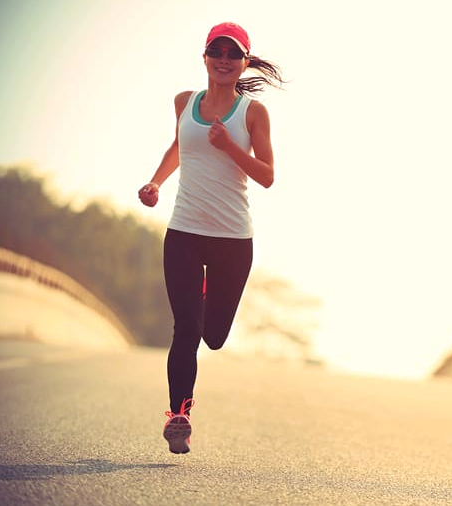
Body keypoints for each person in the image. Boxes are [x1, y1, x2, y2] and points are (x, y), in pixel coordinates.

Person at [138, 21, 283, 454]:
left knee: (213, 335)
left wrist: (229, 146)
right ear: (204, 58)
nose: (223, 59)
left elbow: (269, 176)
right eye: (216, 51)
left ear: (243, 63)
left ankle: (203, 295)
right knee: (185, 328)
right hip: (183, 231)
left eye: (232, 53)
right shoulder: (185, 102)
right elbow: (179, 147)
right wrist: (155, 183)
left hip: (232, 238)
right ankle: (178, 414)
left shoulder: (252, 112)